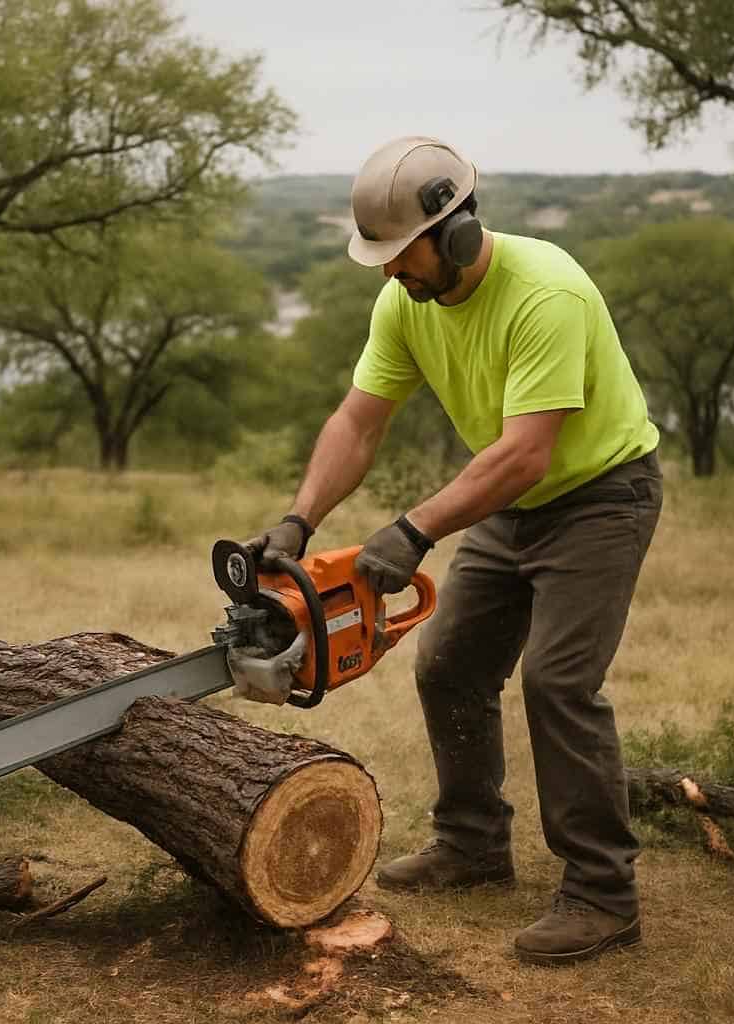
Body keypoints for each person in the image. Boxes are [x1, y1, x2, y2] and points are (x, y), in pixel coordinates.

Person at [237, 136, 663, 966]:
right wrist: (298, 521)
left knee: (559, 681)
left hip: (599, 496)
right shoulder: (405, 303)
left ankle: (603, 894)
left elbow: (527, 452)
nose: (391, 274)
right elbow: (359, 420)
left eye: (402, 256)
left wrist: (416, 527)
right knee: (449, 664)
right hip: (511, 504)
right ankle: (472, 845)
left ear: (458, 231)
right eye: (382, 260)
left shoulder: (547, 293)